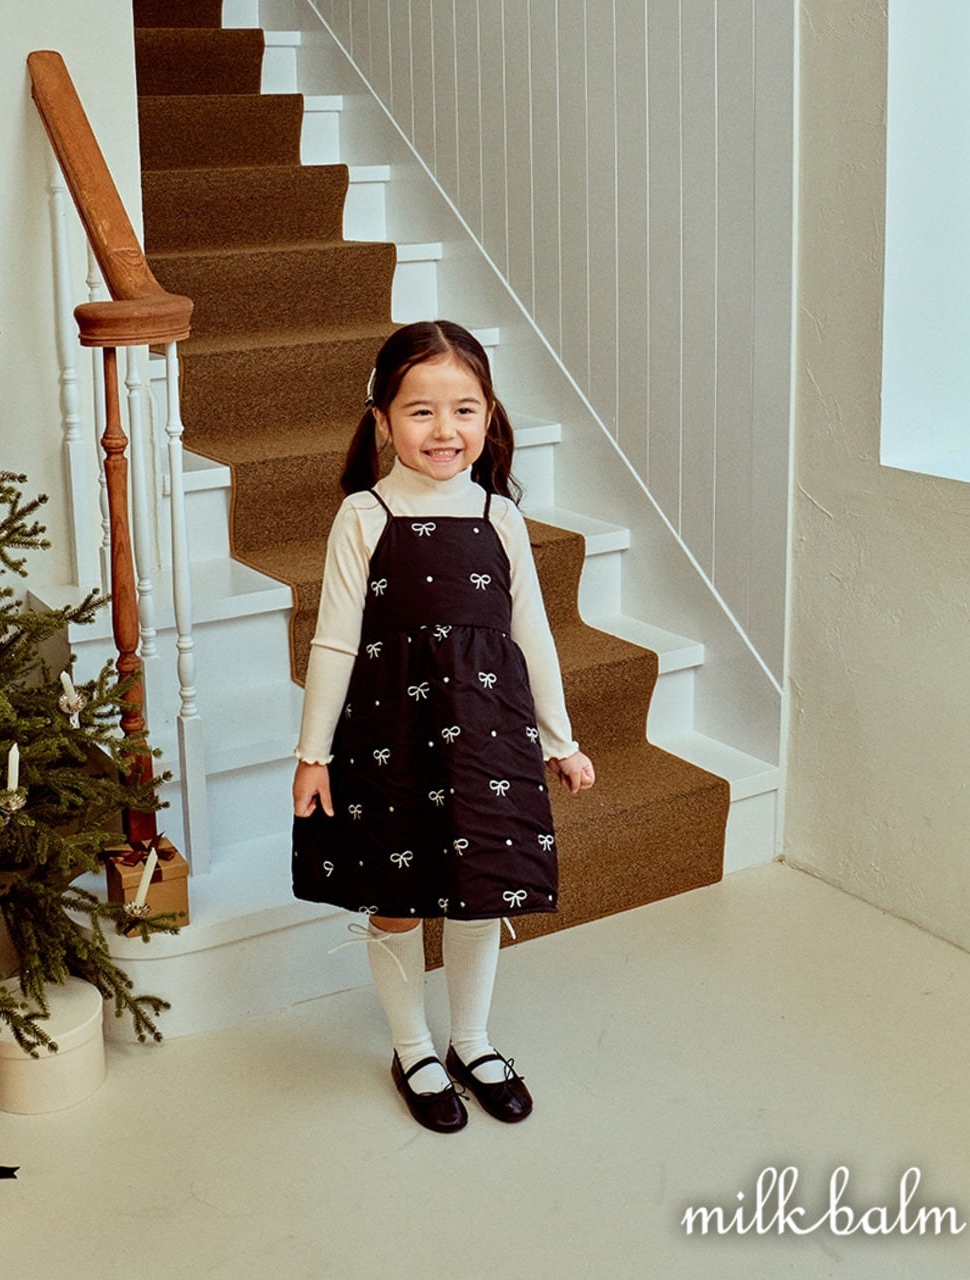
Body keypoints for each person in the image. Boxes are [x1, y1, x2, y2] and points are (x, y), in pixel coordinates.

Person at [291, 319, 595, 1134]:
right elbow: (334, 640)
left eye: (464, 409)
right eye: (420, 411)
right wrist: (313, 754)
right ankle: (413, 1049)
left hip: (487, 735)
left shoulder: (501, 517)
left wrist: (560, 740)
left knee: (478, 892)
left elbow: (531, 634)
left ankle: (471, 1041)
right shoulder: (363, 515)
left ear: (489, 416)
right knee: (396, 898)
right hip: (387, 735)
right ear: (382, 419)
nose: (444, 429)